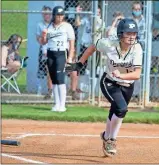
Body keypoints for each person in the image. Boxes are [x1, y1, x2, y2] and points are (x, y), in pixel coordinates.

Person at [66, 18, 143, 156]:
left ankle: (106, 136)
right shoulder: (109, 44)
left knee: (116, 110)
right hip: (109, 82)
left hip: (127, 84)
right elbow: (92, 47)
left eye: (134, 33)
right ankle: (111, 140)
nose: (131, 37)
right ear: (120, 34)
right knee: (122, 109)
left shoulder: (137, 48)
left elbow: (137, 74)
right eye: (128, 33)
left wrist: (121, 75)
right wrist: (79, 64)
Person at [41, 6, 75, 112]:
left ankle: (62, 105)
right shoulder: (49, 26)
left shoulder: (67, 26)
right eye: (57, 15)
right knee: (54, 79)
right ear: (54, 15)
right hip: (51, 53)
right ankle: (56, 104)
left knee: (60, 79)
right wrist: (44, 36)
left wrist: (70, 57)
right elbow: (44, 42)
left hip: (61, 53)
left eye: (61, 15)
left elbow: (71, 43)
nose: (59, 17)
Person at [36, 5, 53, 99]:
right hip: (43, 48)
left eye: (49, 14)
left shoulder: (54, 24)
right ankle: (39, 88)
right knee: (41, 69)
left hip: (52, 49)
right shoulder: (40, 24)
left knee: (51, 70)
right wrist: (43, 46)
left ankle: (51, 90)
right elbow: (38, 37)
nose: (47, 16)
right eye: (45, 14)